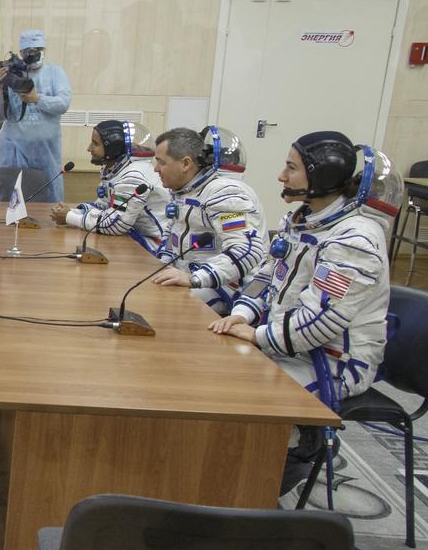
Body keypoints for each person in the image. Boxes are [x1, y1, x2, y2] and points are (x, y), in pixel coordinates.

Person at [209, 133, 399, 494]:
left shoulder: (354, 240)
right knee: (216, 369)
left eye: (292, 168)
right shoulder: (303, 220)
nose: (281, 176)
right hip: (289, 340)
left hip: (335, 360)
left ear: (322, 177)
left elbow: (322, 322)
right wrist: (245, 314)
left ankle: (292, 451)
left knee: (239, 400)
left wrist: (259, 336)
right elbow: (267, 274)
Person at [150, 126, 266, 313]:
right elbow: (171, 234)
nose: (155, 169)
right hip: (191, 276)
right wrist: (162, 265)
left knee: (166, 306)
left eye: (161, 162)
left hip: (225, 287)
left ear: (186, 164)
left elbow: (247, 251)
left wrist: (195, 279)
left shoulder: (224, 193)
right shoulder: (185, 190)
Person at [51, 120, 169, 254]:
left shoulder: (133, 176)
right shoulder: (117, 168)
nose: (89, 148)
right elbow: (104, 207)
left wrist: (70, 217)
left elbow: (116, 224)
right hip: (136, 235)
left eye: (95, 144)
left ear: (112, 148)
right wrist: (74, 211)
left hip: (154, 245)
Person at [0, 29, 72, 201]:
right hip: (14, 152)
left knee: (48, 199)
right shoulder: (12, 74)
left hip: (46, 153)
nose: (33, 55)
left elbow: (63, 104)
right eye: (28, 51)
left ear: (44, 51)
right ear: (20, 53)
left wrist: (37, 99)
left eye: (38, 50)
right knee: (12, 201)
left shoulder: (55, 73)